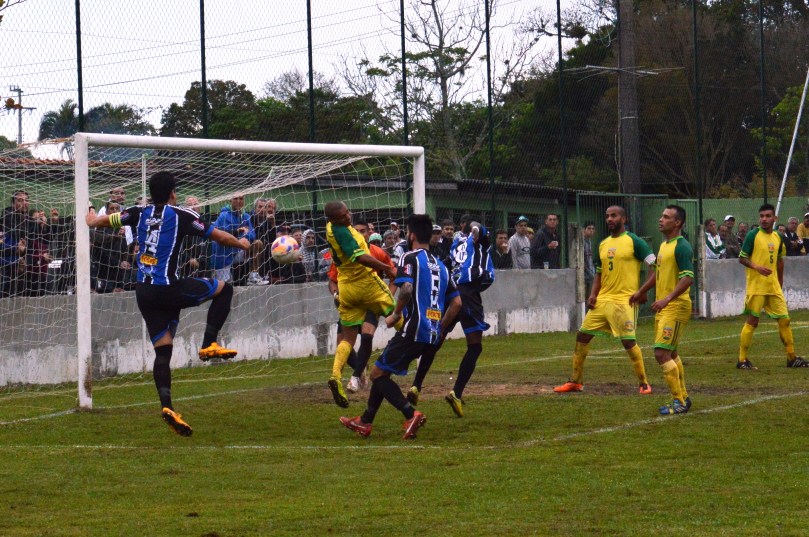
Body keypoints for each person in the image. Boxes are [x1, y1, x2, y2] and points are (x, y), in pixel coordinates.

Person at [85, 171, 251, 436]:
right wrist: (242, 244)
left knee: (163, 351)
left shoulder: (135, 212)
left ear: (151, 193)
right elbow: (219, 236)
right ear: (173, 192)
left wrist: (91, 213)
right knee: (224, 289)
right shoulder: (183, 215)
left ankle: (168, 407)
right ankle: (209, 343)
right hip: (168, 288)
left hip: (144, 293)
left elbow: (97, 222)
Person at [339, 214, 461, 439]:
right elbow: (456, 303)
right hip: (432, 334)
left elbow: (405, 289)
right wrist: (441, 327)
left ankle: (410, 413)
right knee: (382, 370)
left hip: (413, 329)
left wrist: (395, 315)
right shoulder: (442, 266)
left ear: (411, 234)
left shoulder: (410, 257)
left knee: (376, 374)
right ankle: (365, 421)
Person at [554, 206, 656, 395]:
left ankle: (644, 383)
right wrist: (593, 294)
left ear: (623, 218)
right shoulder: (602, 244)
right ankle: (576, 381)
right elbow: (600, 273)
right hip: (603, 300)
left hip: (624, 301)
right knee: (582, 335)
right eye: (607, 216)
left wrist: (642, 291)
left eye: (614, 216)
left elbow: (655, 266)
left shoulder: (635, 242)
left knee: (628, 342)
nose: (609, 219)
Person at [406, 214, 495, 417]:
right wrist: (474, 229)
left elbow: (446, 263)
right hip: (468, 295)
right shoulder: (476, 240)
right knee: (475, 346)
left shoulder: (456, 244)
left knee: (437, 338)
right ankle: (456, 392)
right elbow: (479, 229)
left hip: (452, 293)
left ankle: (416, 385)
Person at [323, 201, 398, 407]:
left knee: (349, 339)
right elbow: (361, 258)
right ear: (334, 221)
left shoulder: (331, 228)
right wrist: (388, 270)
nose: (348, 217)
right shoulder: (347, 237)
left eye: (348, 212)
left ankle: (336, 376)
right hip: (365, 285)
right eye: (343, 216)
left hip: (347, 290)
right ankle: (400, 359)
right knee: (400, 317)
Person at [631, 205, 694, 415]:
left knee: (661, 353)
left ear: (677, 223)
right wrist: (641, 291)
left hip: (675, 306)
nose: (660, 220)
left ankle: (678, 401)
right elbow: (657, 274)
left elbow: (688, 278)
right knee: (671, 352)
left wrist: (667, 298)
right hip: (666, 306)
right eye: (661, 216)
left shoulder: (682, 247)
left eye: (666, 217)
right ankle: (683, 397)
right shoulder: (664, 245)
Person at [736, 204, 807, 370]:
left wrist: (780, 284)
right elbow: (741, 258)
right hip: (757, 287)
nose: (764, 219)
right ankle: (742, 360)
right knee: (753, 321)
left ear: (774, 219)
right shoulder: (753, 235)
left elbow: (780, 261)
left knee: (785, 320)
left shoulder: (778, 237)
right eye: (761, 216)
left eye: (768, 216)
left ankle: (791, 358)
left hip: (773, 287)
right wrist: (757, 267)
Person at [210, 194, 265, 286]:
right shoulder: (223, 216)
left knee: (258, 243)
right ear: (230, 201)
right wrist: (238, 232)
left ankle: (253, 276)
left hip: (239, 250)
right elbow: (222, 236)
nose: (238, 201)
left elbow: (252, 235)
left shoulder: (246, 216)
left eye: (241, 198)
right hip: (224, 254)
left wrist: (244, 237)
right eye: (235, 199)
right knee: (224, 286)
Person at [250, 197, 277, 279]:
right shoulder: (249, 219)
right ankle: (253, 275)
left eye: (265, 207)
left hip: (264, 251)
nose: (262, 210)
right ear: (254, 209)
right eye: (260, 207)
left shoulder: (268, 222)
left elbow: (273, 241)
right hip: (248, 247)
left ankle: (269, 275)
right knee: (259, 243)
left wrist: (273, 225)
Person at [583, 221, 596, 298]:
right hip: (584, 275)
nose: (591, 230)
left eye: (593, 229)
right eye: (589, 228)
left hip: (590, 275)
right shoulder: (581, 241)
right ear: (584, 229)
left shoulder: (589, 241)